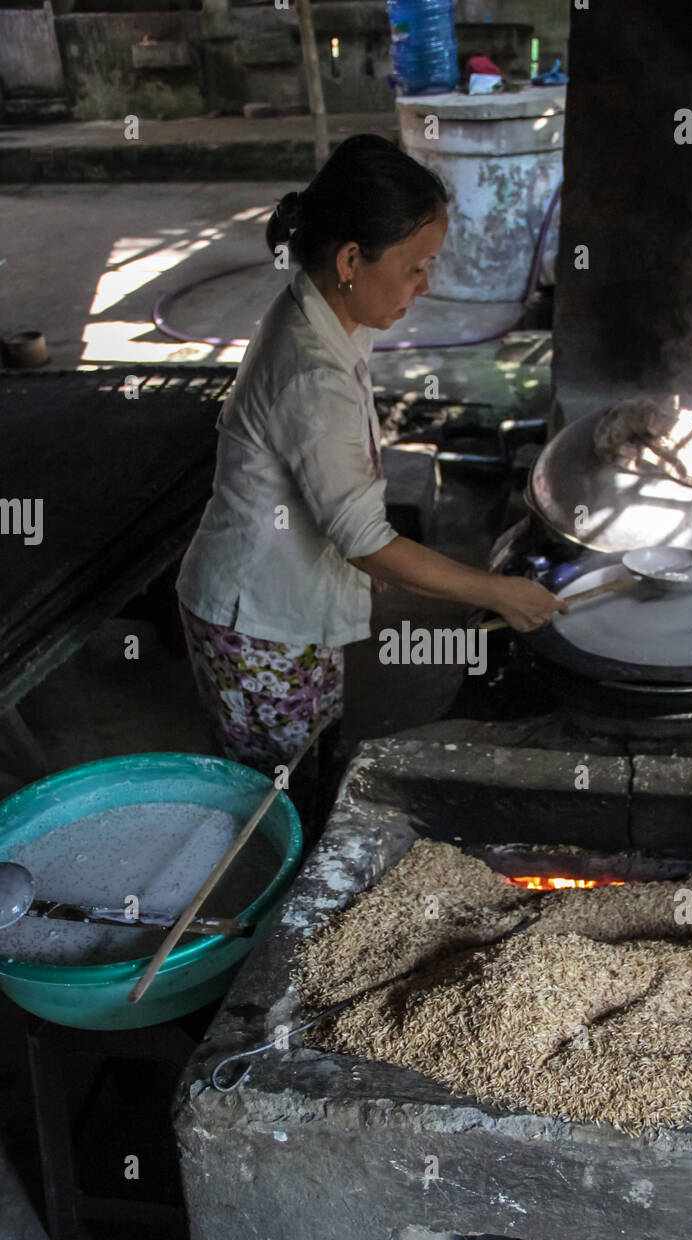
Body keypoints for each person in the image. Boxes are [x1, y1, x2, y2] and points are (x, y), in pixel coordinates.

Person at [176, 134, 565, 783]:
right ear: (352, 258)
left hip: (280, 604)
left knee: (315, 761)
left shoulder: (321, 309)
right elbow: (362, 540)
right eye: (415, 266)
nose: (425, 283)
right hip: (257, 628)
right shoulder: (311, 374)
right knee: (283, 796)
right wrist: (498, 592)